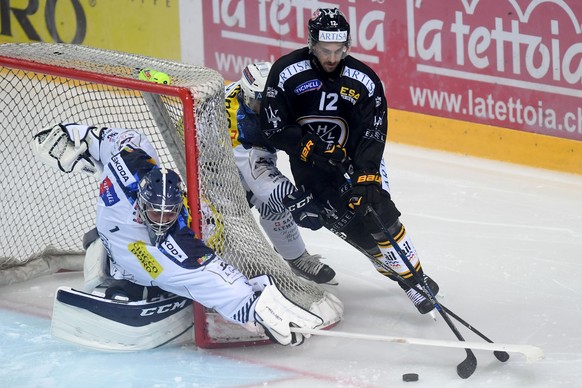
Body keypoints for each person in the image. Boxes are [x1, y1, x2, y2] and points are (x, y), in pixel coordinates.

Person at [31, 122, 324, 345]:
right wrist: (75, 136)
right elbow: (114, 140)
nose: (162, 220)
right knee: (154, 267)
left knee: (162, 270)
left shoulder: (174, 233)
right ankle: (128, 279)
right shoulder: (127, 166)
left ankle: (133, 284)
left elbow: (203, 268)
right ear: (141, 201)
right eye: (155, 213)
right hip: (116, 240)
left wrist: (247, 304)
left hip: (129, 251)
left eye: (169, 213)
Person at [259, 8, 439, 314]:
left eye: (339, 51)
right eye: (324, 50)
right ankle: (405, 276)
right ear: (311, 43)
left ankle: (414, 283)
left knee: (376, 211)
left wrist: (366, 173)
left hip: (356, 159)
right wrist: (312, 147)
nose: (331, 58)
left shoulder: (364, 79)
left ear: (348, 45)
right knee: (354, 230)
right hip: (311, 168)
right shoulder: (286, 71)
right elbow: (273, 126)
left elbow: (374, 130)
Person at [225, 62, 336, 284]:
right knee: (229, 215)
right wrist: (293, 199)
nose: (266, 109)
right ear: (246, 98)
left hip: (236, 154)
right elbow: (260, 172)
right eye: (259, 104)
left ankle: (296, 258)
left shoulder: (269, 91)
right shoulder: (244, 126)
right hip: (213, 163)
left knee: (271, 203)